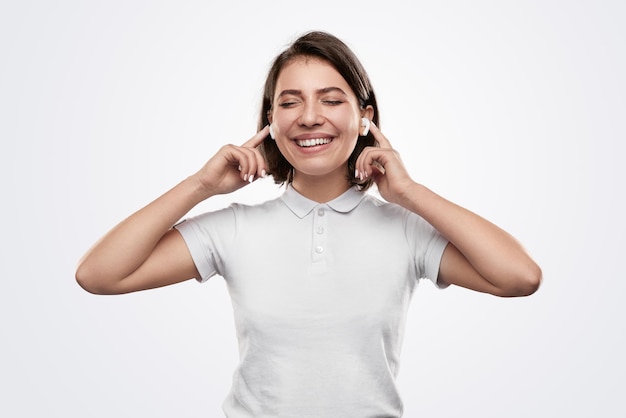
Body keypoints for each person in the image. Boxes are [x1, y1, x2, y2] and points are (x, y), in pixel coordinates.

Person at [76, 31, 541, 418]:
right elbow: (99, 275)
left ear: (365, 118)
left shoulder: (405, 229)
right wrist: (200, 186)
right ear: (271, 122)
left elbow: (519, 277)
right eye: (290, 102)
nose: (310, 117)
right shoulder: (233, 229)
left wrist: (410, 194)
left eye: (331, 99)